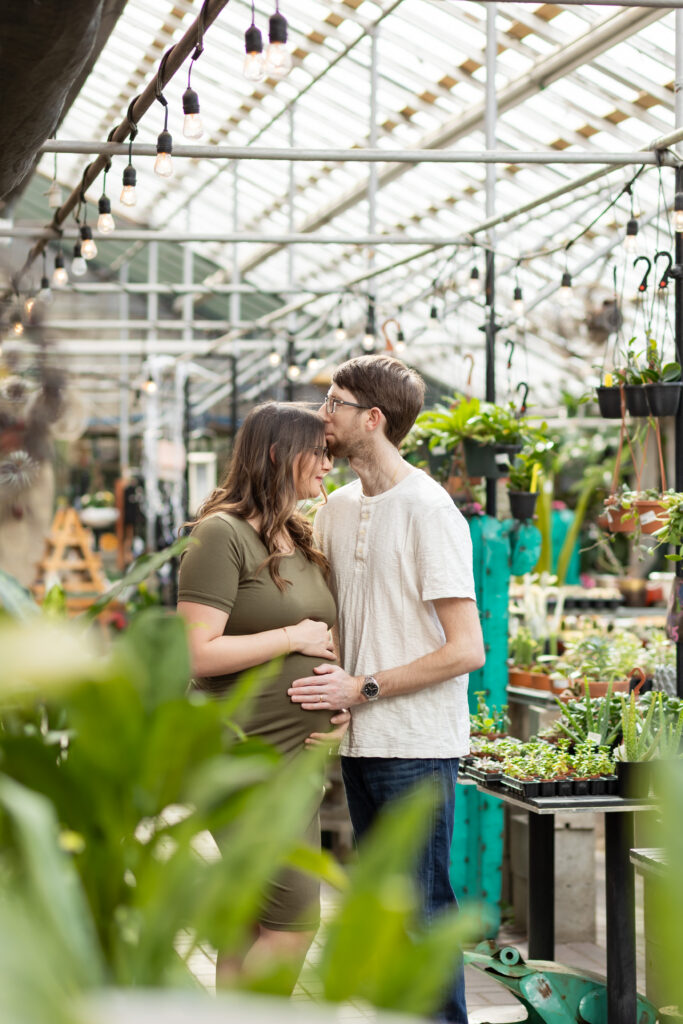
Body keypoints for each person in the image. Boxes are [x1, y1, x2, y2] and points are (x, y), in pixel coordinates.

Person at [288, 354, 485, 1024]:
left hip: (415, 744)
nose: (323, 416)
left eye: (334, 404)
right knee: (384, 915)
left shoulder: (430, 511)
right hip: (361, 743)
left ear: (372, 420)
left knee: (421, 913)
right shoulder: (335, 509)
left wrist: (362, 687)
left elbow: (466, 650)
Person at [177, 401, 347, 988]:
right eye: (318, 451)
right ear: (278, 453)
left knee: (252, 919)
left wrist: (338, 702)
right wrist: (291, 638)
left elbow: (321, 641)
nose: (328, 464)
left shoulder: (297, 536)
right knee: (295, 921)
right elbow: (198, 652)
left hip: (296, 762)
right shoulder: (220, 535)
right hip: (242, 753)